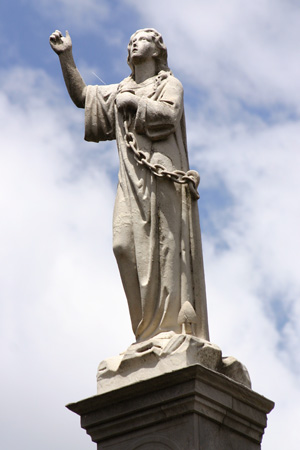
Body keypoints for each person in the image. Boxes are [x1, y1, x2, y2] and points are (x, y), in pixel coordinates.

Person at [49, 28, 209, 343]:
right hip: (130, 179)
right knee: (123, 246)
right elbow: (83, 96)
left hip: (162, 173)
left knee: (165, 247)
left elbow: (169, 115)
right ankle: (145, 330)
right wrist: (65, 56)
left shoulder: (169, 84)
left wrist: (134, 103)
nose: (135, 42)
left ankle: (167, 328)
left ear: (158, 50)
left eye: (144, 38)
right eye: (131, 40)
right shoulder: (121, 88)